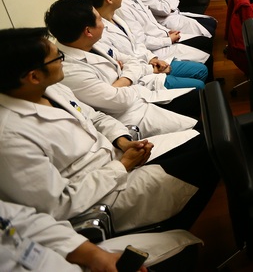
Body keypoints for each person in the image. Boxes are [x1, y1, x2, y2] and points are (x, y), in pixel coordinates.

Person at [0, 28, 218, 233]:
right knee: (207, 160)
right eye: (57, 58)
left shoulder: (51, 89)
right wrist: (121, 166)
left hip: (118, 155)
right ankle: (172, 228)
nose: (63, 61)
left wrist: (122, 140)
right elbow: (57, 204)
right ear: (33, 76)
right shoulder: (10, 137)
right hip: (100, 194)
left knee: (206, 141)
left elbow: (95, 117)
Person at [45, 0, 200, 134]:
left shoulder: (89, 43)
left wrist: (121, 81)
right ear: (88, 31)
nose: (104, 24)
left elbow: (131, 61)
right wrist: (127, 76)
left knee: (200, 99)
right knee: (199, 126)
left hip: (141, 92)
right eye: (99, 20)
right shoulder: (70, 70)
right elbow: (119, 100)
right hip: (132, 115)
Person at [79, 0, 208, 91]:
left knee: (201, 70)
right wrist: (152, 68)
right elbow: (125, 64)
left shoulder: (115, 18)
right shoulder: (98, 33)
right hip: (141, 78)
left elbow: (136, 44)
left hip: (149, 62)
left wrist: (152, 59)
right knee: (199, 83)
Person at [0, 200, 201, 272]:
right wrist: (118, 167)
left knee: (185, 243)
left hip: (66, 260)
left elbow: (25, 221)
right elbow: (56, 202)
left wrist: (94, 256)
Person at [103, 0, 212, 73]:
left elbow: (152, 22)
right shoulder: (122, 7)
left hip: (163, 36)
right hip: (156, 48)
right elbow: (141, 40)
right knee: (205, 53)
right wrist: (168, 40)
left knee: (205, 42)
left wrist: (167, 32)